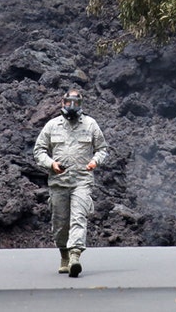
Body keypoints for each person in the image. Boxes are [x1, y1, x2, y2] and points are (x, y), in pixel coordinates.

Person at [33, 88, 109, 277]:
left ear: (81, 105)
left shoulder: (90, 124)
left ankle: (75, 255)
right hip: (58, 182)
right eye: (69, 102)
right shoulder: (52, 126)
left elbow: (102, 149)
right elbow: (39, 150)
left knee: (78, 218)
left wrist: (94, 162)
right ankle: (64, 256)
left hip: (82, 181)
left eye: (76, 103)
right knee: (60, 224)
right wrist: (51, 164)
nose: (72, 106)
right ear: (63, 103)